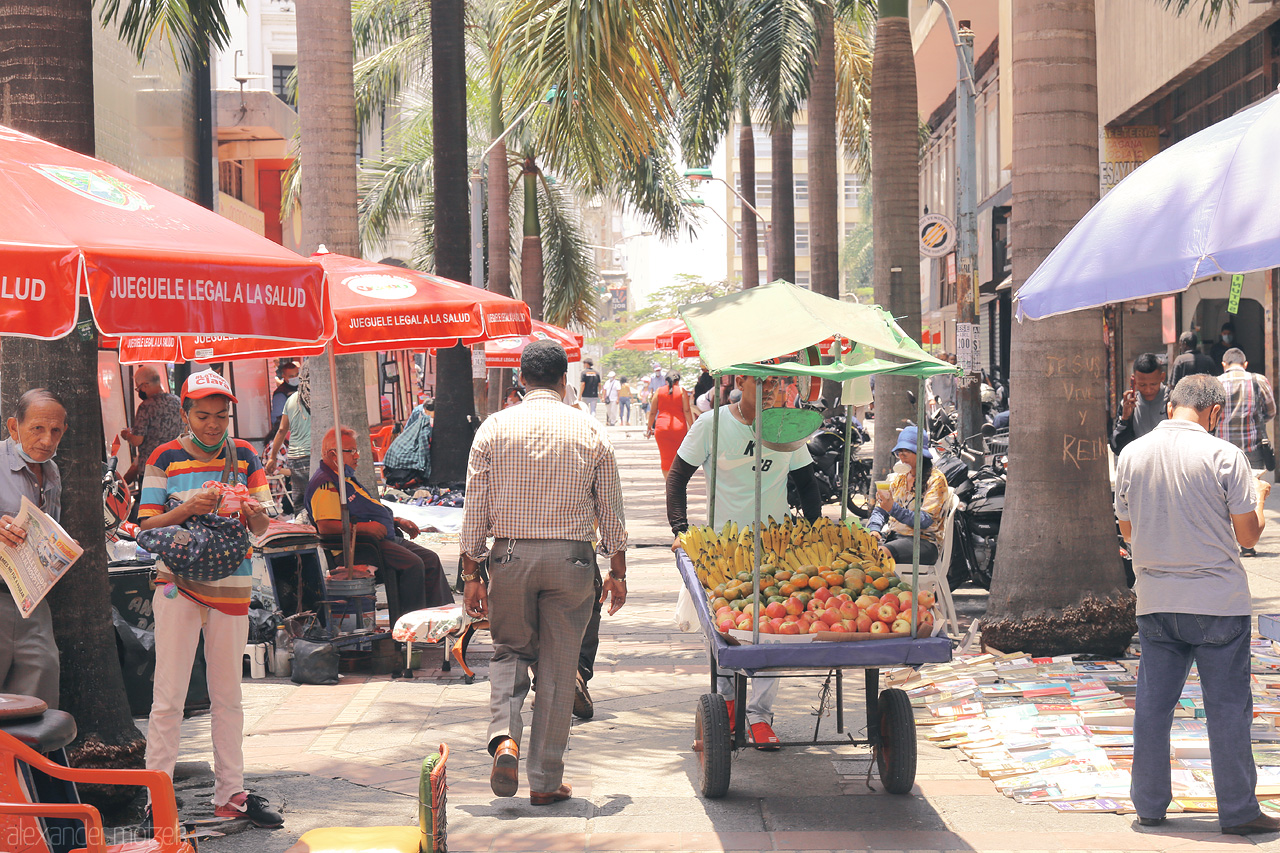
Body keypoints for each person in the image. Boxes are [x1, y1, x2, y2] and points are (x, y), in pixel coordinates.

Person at [460, 339, 627, 805]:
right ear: (563, 379)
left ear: (520, 379)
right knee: (558, 667)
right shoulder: (589, 429)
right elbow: (610, 510)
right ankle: (546, 781)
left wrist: (471, 571)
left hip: (509, 557)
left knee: (510, 651)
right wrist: (618, 569)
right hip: (572, 559)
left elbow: (475, 508)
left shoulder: (493, 429)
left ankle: (504, 740)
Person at [1114, 374, 1277, 836]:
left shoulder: (1132, 453)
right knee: (1227, 709)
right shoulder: (1226, 455)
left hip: (1157, 600)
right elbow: (1248, 535)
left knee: (1152, 706)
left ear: (1170, 406)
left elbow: (1127, 532)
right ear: (1215, 414)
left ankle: (1148, 805)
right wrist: (1260, 498)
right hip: (1216, 601)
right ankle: (1239, 811)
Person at [139, 370, 283, 828]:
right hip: (175, 587)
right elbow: (144, 527)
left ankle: (232, 794)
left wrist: (253, 513)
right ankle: (155, 799)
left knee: (229, 697)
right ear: (185, 413)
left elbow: (261, 529)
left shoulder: (245, 455)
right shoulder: (165, 457)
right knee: (168, 699)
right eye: (203, 415)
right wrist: (186, 509)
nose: (213, 424)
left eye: (222, 415)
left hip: (233, 589)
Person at [666, 374, 822, 747]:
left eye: (778, 382)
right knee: (726, 634)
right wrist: (681, 530)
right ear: (740, 381)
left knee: (775, 632)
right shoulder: (712, 425)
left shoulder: (785, 425)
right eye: (762, 381)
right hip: (724, 551)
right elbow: (677, 476)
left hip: (776, 549)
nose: (771, 389)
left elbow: (807, 482)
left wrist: (816, 533)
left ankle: (760, 717)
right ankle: (727, 707)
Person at [307, 427, 453, 611]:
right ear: (333, 454)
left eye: (356, 450)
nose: (357, 455)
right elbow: (326, 526)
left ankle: (439, 619)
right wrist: (363, 528)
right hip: (357, 548)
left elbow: (364, 511)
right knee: (413, 564)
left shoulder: (346, 479)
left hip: (378, 539)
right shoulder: (326, 484)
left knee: (430, 559)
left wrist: (396, 521)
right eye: (351, 451)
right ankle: (409, 627)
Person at [0, 390, 70, 707]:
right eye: (37, 429)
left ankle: (25, 759)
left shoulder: (52, 472)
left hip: (31, 600)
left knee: (39, 685)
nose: (47, 440)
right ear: (14, 427)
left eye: (55, 431)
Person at [865, 426, 949, 565]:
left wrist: (893, 508)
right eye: (899, 451)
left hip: (924, 543)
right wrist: (874, 529)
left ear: (921, 453)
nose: (902, 456)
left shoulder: (936, 480)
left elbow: (924, 521)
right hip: (895, 538)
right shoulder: (900, 478)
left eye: (907, 451)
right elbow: (881, 510)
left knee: (879, 554)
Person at [119, 365, 183, 486]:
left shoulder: (146, 406)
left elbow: (137, 440)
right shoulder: (177, 401)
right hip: (175, 467)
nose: (140, 392)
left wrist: (127, 435)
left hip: (152, 468)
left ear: (145, 385)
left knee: (151, 504)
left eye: (138, 388)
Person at [264, 365, 312, 515]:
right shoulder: (321, 397)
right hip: (314, 456)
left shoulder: (291, 399)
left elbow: (281, 430)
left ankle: (305, 530)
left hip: (296, 458)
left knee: (301, 504)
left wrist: (272, 458)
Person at [1110, 353, 1169, 456]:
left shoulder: (1172, 401)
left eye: (1153, 384)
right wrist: (1124, 419)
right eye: (1142, 385)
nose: (1148, 390)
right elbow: (1116, 447)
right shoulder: (1128, 405)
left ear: (1162, 377)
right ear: (1134, 380)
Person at [646, 371, 695, 476]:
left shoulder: (659, 391)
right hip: (679, 428)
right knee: (679, 457)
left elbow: (653, 412)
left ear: (666, 380)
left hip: (661, 428)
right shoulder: (682, 391)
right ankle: (676, 485)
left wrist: (649, 427)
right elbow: (687, 411)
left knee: (665, 458)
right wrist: (692, 427)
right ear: (678, 380)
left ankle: (668, 485)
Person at [269, 361, 299, 432]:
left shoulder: (303, 388)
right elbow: (278, 419)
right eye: (291, 376)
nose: (295, 378)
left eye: (297, 375)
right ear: (284, 376)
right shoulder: (280, 394)